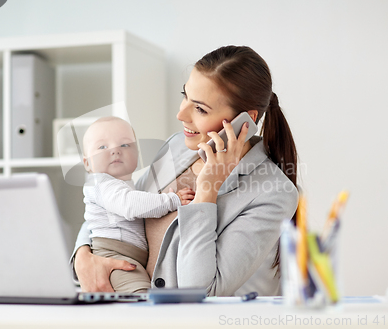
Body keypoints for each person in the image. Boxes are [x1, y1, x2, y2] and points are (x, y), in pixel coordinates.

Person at [71, 45, 299, 296]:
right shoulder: (176, 146)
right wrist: (82, 255)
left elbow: (203, 291)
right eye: (185, 95)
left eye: (200, 109)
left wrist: (208, 190)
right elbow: (115, 201)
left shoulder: (274, 193)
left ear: (245, 121)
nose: (181, 114)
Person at [81, 117, 194, 293]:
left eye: (125, 145)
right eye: (103, 147)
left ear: (137, 156)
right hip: (114, 255)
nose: (115, 151)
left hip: (129, 255)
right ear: (87, 163)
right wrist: (172, 200)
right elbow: (129, 205)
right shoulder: (100, 183)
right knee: (140, 298)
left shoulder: (128, 185)